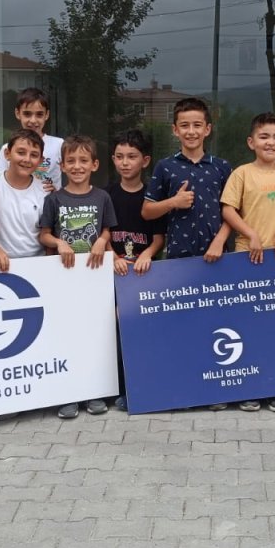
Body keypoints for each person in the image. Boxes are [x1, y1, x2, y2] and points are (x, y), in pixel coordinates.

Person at [221, 112, 275, 413]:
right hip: (249, 257)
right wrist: (250, 234)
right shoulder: (242, 173)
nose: (270, 142)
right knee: (248, 326)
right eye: (264, 137)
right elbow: (228, 210)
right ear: (251, 142)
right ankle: (250, 388)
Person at [38, 134, 118, 419]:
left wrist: (102, 241)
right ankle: (68, 393)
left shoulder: (102, 197)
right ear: (61, 165)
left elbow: (107, 229)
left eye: (83, 160)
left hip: (95, 279)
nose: (77, 166)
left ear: (94, 165)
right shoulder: (54, 199)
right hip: (64, 280)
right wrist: (59, 243)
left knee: (95, 336)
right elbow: (44, 234)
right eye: (71, 161)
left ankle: (95, 391)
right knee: (67, 336)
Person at [107, 129, 166, 411]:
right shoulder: (106, 194)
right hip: (114, 273)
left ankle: (140, 386)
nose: (125, 162)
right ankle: (117, 387)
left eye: (131, 156)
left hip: (144, 274)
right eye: (119, 157)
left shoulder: (152, 197)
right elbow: (101, 233)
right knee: (114, 328)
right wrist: (111, 255)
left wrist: (147, 254)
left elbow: (159, 238)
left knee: (139, 329)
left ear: (145, 160)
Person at [142, 97, 232, 262]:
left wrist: (219, 242)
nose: (191, 131)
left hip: (217, 256)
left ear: (207, 129)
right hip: (178, 258)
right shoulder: (165, 166)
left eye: (197, 125)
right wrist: (173, 202)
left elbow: (233, 211)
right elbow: (147, 211)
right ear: (175, 130)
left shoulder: (222, 167)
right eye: (184, 125)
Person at [0, 129, 49, 268]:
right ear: (7, 154)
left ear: (41, 160)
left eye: (34, 155)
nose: (27, 159)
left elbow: (48, 234)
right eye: (21, 152)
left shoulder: (46, 192)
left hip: (36, 265)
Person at [0, 88, 63, 192]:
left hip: (50, 200)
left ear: (47, 115)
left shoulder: (59, 145)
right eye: (27, 114)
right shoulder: (7, 148)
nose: (33, 120)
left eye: (39, 114)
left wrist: (58, 192)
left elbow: (75, 172)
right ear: (18, 113)